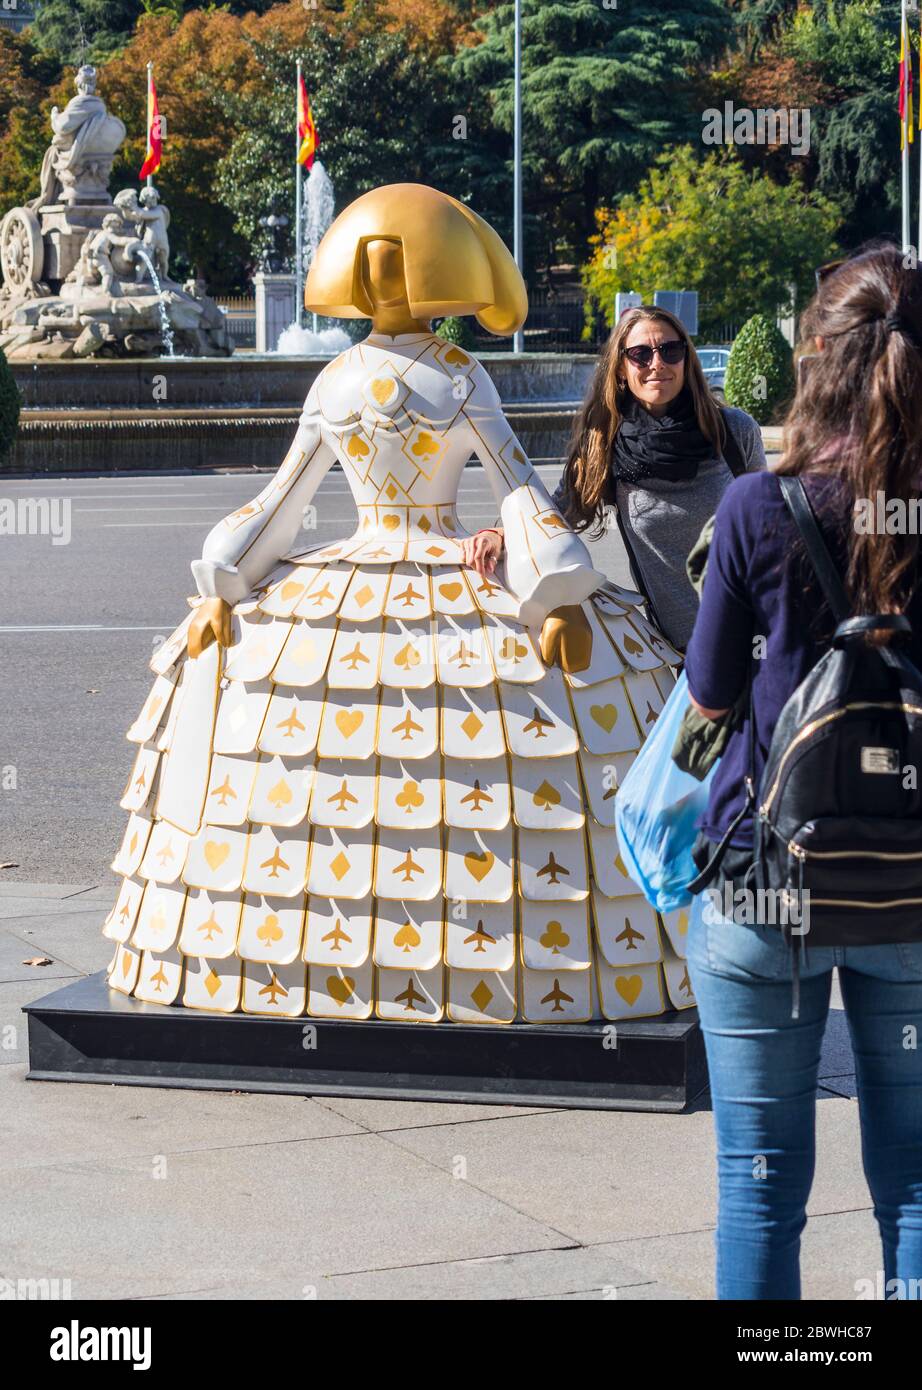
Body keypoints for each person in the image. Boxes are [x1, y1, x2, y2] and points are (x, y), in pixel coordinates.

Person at [98, 183, 690, 1026]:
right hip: (441, 560)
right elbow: (516, 486)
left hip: (365, 566)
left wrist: (225, 575)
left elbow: (282, 504)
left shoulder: (340, 377)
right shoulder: (457, 375)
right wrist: (557, 582)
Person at [682, 243, 922, 1300]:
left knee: (760, 1177)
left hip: (765, 877)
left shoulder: (753, 507)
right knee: (916, 1183)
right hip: (912, 879)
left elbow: (706, 699)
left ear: (813, 355)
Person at [461, 306, 766, 651]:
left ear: (686, 358)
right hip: (682, 648)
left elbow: (770, 523)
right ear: (621, 369)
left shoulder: (734, 430)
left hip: (757, 629)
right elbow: (557, 514)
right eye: (640, 354)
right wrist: (498, 532)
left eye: (671, 349)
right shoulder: (606, 445)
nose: (658, 363)